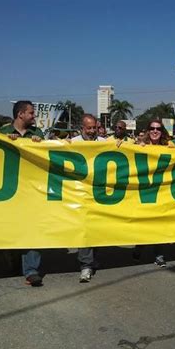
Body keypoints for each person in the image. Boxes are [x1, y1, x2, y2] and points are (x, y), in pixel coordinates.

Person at [0, 101, 45, 286]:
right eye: (31, 113)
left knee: (32, 228)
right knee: (10, 229)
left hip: (31, 189)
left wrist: (40, 144)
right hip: (8, 190)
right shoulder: (2, 133)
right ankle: (12, 259)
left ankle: (32, 270)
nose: (34, 116)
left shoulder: (38, 134)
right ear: (20, 114)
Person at [134, 118, 174, 267]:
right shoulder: (139, 146)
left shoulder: (169, 146)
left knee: (160, 226)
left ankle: (159, 255)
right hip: (144, 192)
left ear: (162, 131)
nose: (155, 131)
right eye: (152, 128)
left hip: (162, 192)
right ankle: (139, 247)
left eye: (158, 128)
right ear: (148, 131)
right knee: (145, 225)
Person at [71, 114, 106, 282]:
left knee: (97, 228)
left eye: (94, 128)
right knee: (84, 228)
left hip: (99, 194)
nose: (92, 131)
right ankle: (85, 266)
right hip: (80, 194)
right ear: (82, 128)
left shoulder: (105, 142)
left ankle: (93, 259)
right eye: (89, 128)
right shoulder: (72, 143)